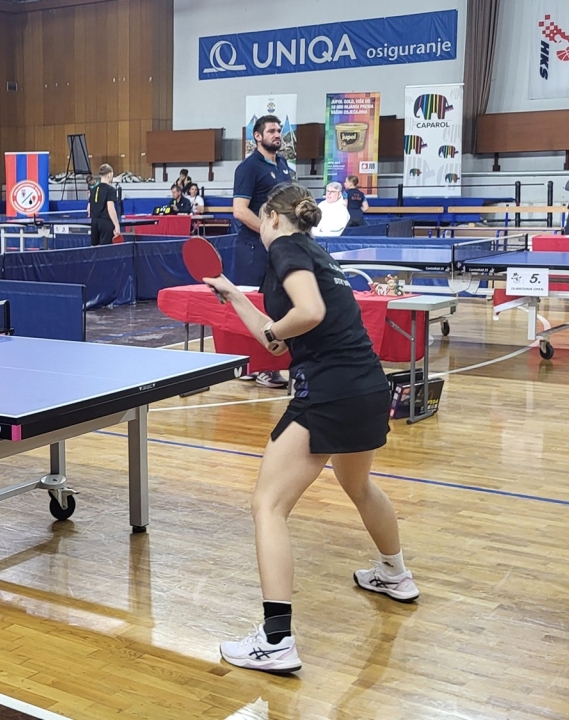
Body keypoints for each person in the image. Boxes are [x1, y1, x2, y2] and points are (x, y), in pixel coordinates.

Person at [203, 182, 415, 675]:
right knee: (357, 483)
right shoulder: (318, 255)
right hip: (366, 386)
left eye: (260, 220)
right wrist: (234, 295)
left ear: (273, 219)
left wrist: (278, 330)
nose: (257, 229)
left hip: (328, 391)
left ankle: (275, 640)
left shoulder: (288, 251)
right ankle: (395, 573)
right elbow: (277, 341)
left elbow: (307, 315)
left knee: (267, 505)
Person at [232, 114, 294, 389]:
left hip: (277, 247)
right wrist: (268, 233)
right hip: (253, 248)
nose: (277, 134)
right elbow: (240, 210)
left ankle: (264, 364)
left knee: (277, 304)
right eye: (271, 131)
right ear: (257, 136)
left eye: (279, 130)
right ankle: (256, 366)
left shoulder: (283, 165)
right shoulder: (248, 168)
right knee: (255, 308)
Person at [88, 164, 121, 246]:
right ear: (109, 175)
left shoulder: (93, 189)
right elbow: (110, 208)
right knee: (106, 251)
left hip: (94, 223)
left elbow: (88, 209)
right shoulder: (111, 190)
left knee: (94, 250)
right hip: (106, 223)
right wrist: (117, 225)